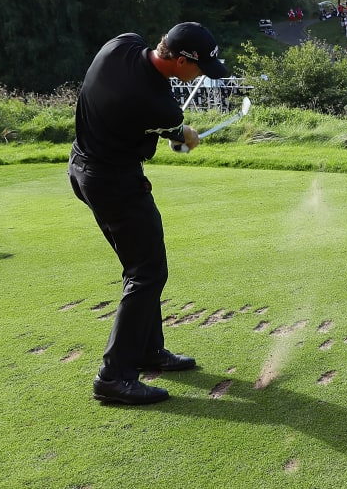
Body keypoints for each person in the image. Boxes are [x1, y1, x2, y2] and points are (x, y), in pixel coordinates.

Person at [68, 22, 229, 405]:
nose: (201, 75)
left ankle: (147, 351)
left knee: (142, 267)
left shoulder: (119, 44)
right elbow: (177, 137)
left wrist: (174, 130)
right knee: (146, 272)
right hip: (114, 182)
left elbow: (154, 120)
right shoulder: (160, 104)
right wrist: (184, 136)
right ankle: (114, 376)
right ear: (183, 60)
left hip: (82, 166)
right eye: (201, 68)